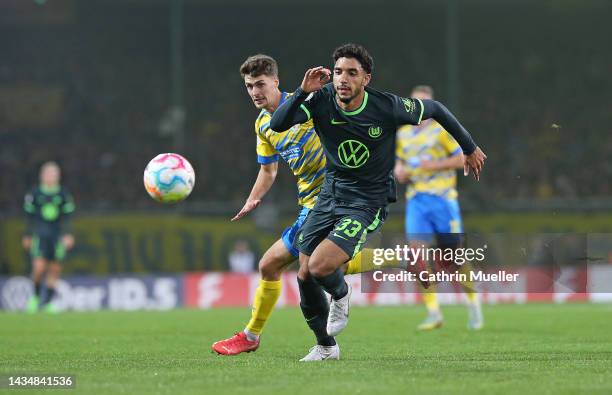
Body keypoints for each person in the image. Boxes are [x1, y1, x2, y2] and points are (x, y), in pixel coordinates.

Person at [270, 43, 486, 361]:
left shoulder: (388, 107)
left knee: (320, 266)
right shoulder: (320, 100)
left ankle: (342, 294)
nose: (343, 79)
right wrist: (302, 92)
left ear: (366, 79)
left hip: (366, 201)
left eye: (352, 73)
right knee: (304, 273)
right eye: (339, 72)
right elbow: (277, 124)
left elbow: (436, 109)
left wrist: (468, 147)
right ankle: (326, 347)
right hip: (330, 194)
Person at [212, 54, 396, 356]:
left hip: (335, 200)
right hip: (309, 204)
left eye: (260, 84)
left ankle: (265, 336)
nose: (255, 92)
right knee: (275, 265)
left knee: (305, 269)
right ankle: (397, 259)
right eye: (249, 86)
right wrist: (253, 197)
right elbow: (268, 169)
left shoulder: (309, 106)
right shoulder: (263, 126)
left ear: (276, 81)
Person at [395, 85, 483, 331]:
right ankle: (433, 312)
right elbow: (401, 164)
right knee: (416, 256)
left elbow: (460, 158)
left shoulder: (442, 131)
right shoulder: (403, 134)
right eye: (416, 104)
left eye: (426, 104)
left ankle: (473, 304)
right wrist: (399, 172)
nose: (421, 109)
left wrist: (428, 165)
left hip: (443, 199)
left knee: (454, 257)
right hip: (417, 201)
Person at [22, 161, 75, 313]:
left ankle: (47, 303)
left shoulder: (63, 194)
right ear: (42, 176)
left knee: (54, 270)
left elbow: (68, 217)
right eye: (48, 173)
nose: (51, 176)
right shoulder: (35, 193)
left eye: (54, 174)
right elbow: (29, 216)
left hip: (57, 237)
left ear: (58, 176)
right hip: (40, 236)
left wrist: (68, 234)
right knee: (38, 269)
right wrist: (27, 234)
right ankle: (36, 297)